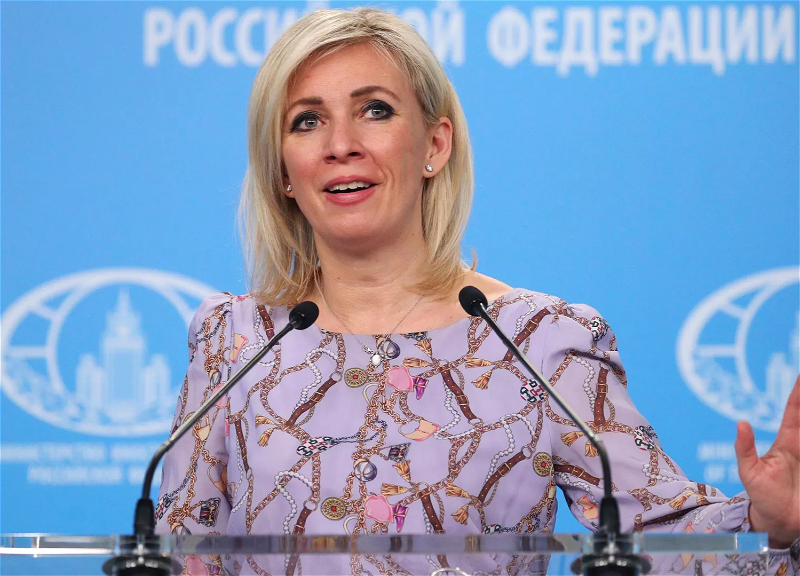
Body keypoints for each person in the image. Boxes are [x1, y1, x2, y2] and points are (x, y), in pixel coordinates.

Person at [155, 7, 799, 575]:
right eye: (307, 120)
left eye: (375, 110)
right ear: (282, 171)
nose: (341, 145)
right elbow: (181, 556)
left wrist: (768, 526)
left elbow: (659, 539)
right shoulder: (234, 343)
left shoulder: (540, 342)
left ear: (435, 144)